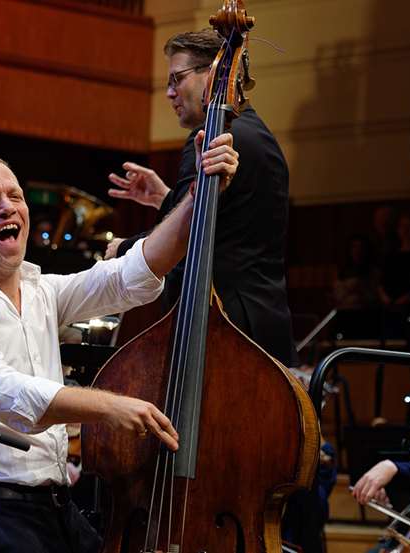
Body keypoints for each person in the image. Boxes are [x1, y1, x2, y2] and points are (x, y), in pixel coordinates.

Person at [0, 147, 237, 552]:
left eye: (14, 196)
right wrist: (109, 406)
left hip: (56, 510)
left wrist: (199, 193)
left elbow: (133, 273)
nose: (6, 207)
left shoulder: (42, 291)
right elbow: (0, 390)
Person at [105, 29, 297, 367]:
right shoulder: (257, 134)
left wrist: (121, 248)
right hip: (262, 324)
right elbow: (231, 221)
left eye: (176, 79)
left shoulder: (213, 136)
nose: (169, 93)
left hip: (226, 325)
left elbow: (186, 237)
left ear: (213, 73)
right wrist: (165, 196)